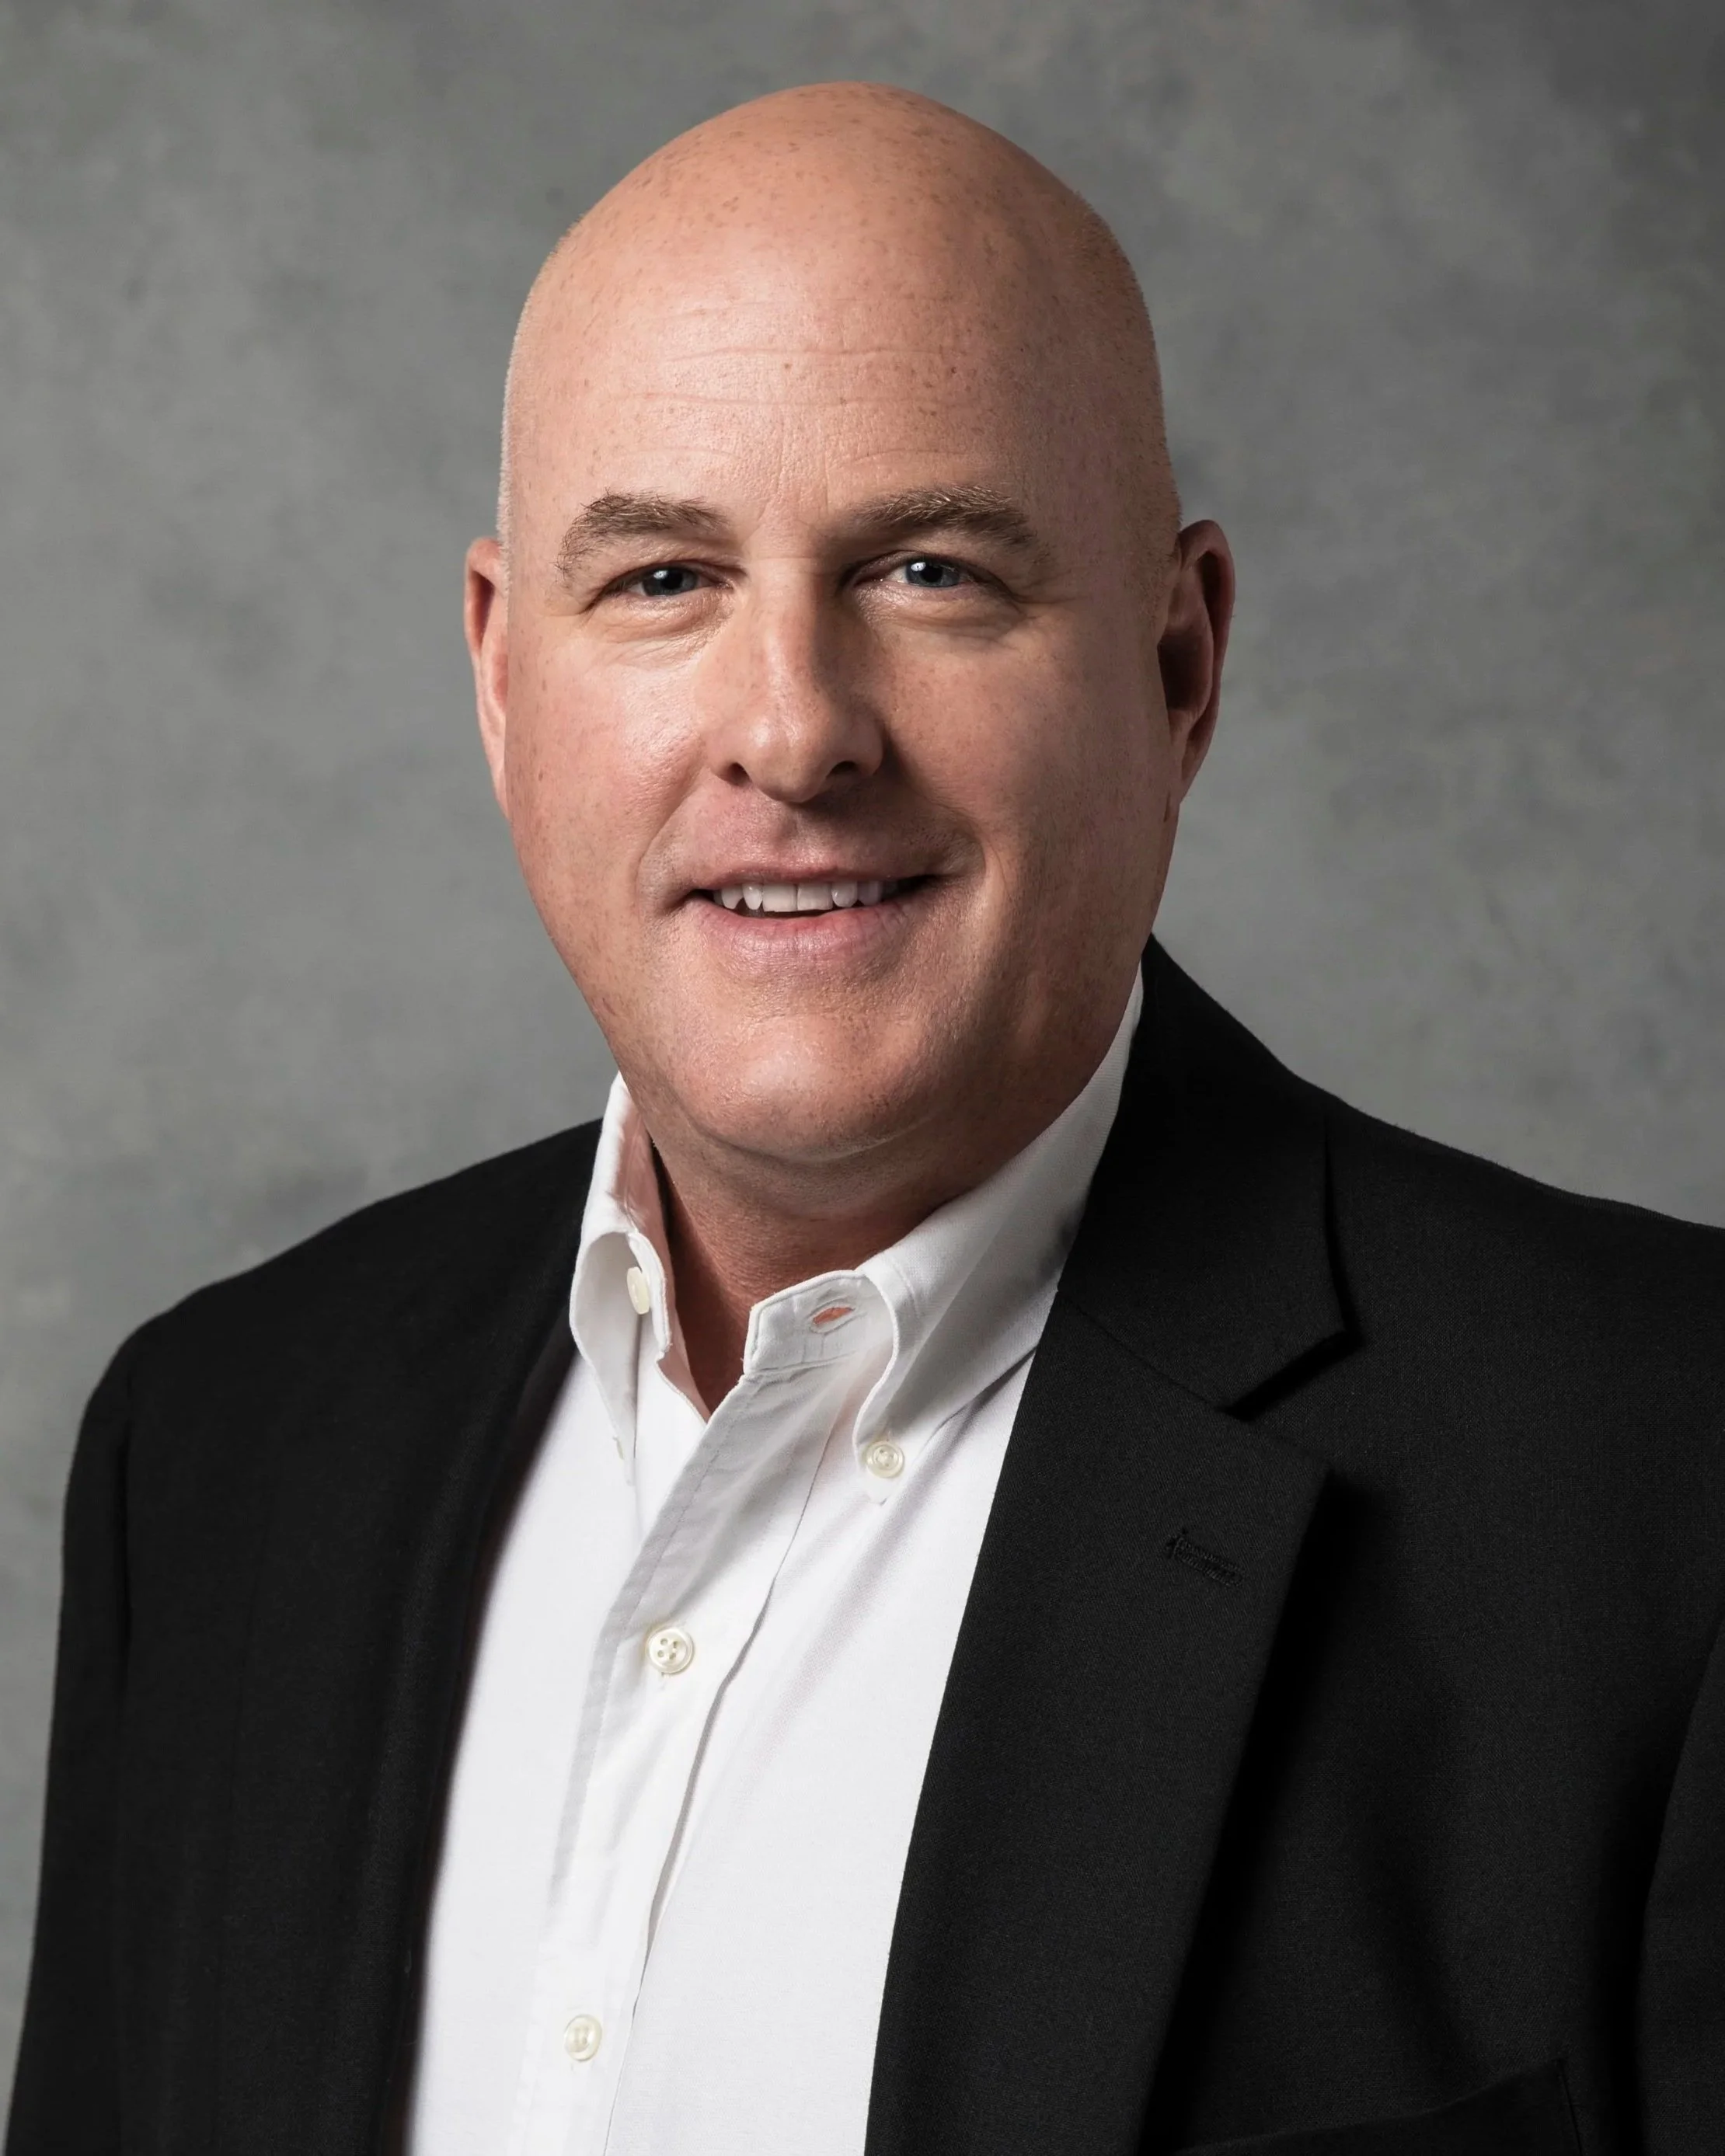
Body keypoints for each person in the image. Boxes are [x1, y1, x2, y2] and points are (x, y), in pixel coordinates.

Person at [8, 82, 1721, 2156]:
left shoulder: (1657, 1490)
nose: (795, 730)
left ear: (1175, 667)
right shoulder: (210, 1461)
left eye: (927, 569)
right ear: (497, 678)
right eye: (658, 578)